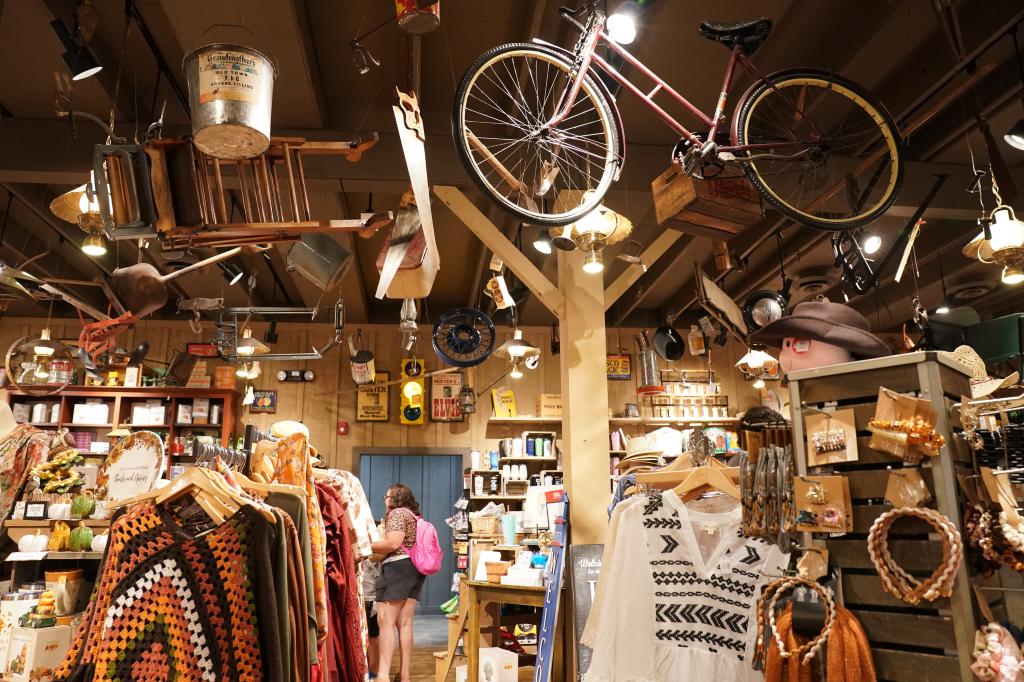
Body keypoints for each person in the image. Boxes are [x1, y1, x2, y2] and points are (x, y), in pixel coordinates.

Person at [370, 483, 425, 682]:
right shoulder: (413, 516)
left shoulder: (397, 514)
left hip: (397, 569)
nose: (384, 500)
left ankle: (382, 676)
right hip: (414, 570)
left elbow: (392, 543)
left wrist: (364, 545)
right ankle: (404, 676)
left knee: (385, 622)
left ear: (395, 498)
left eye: (386, 496)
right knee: (405, 624)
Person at [361, 558, 381, 680]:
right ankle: (371, 670)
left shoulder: (373, 556)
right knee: (369, 636)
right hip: (365, 597)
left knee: (372, 636)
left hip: (370, 599)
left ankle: (374, 670)